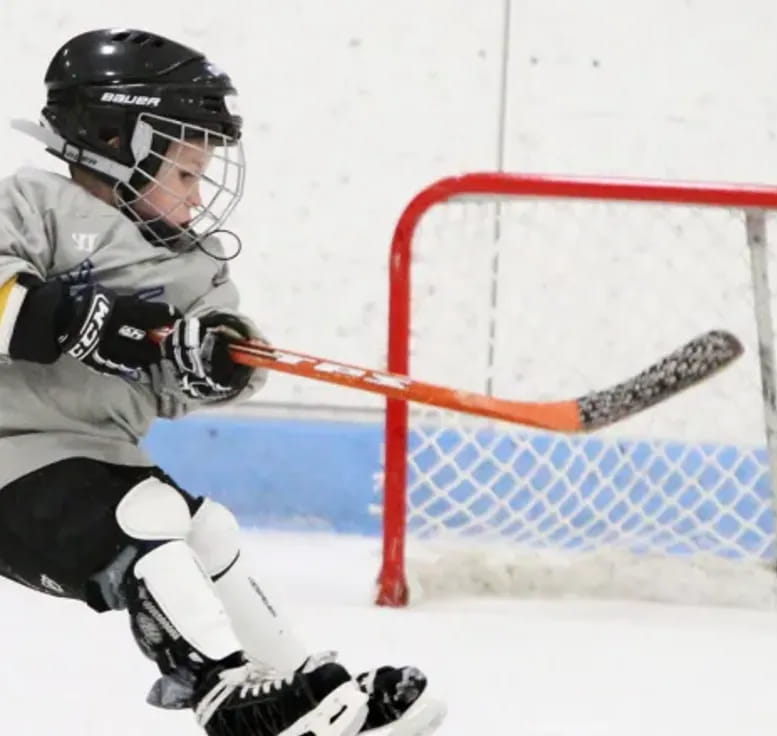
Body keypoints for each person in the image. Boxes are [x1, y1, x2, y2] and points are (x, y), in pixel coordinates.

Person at [0, 27, 446, 736]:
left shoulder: (189, 269)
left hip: (98, 462)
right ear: (117, 137)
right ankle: (222, 691)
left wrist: (217, 361)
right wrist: (75, 315)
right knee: (149, 519)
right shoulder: (33, 204)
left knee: (207, 528)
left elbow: (202, 375)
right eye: (184, 173)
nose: (197, 193)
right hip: (11, 466)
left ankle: (296, 686)